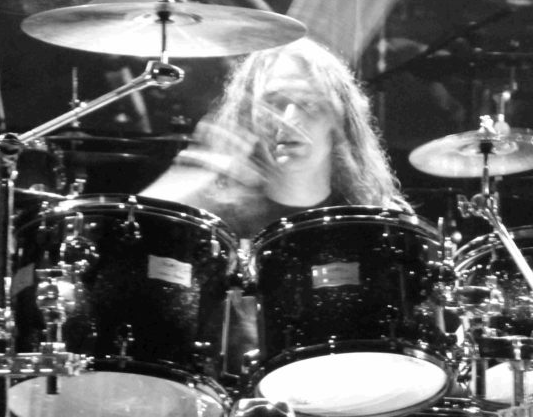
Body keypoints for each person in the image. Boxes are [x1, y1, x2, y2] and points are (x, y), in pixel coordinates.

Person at [141, 36, 411, 375]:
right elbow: (132, 256)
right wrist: (189, 177)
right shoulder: (212, 222)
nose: (289, 119)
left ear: (338, 119)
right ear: (249, 116)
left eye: (308, 104)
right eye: (274, 103)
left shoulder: (378, 226)